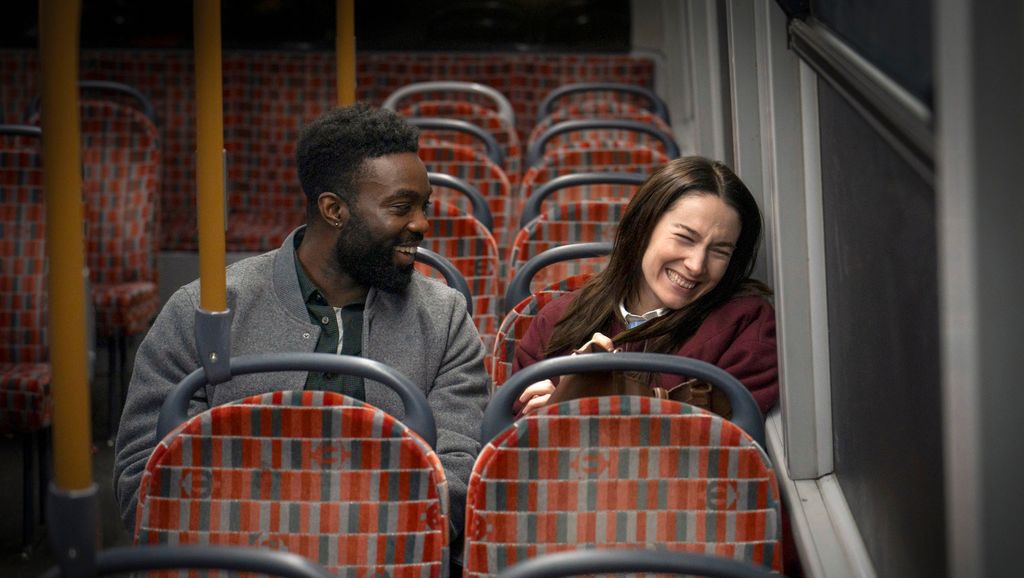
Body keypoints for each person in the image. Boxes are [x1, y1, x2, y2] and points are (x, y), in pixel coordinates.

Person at [114, 104, 490, 539]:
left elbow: (458, 476)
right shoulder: (204, 310)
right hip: (234, 562)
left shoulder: (443, 318)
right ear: (334, 209)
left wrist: (347, 534)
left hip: (387, 556)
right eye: (401, 207)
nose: (422, 224)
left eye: (423, 206)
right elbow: (144, 478)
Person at [513, 156, 778, 415]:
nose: (696, 265)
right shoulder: (557, 321)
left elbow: (731, 446)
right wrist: (540, 423)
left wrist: (590, 407)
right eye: (685, 238)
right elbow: (509, 444)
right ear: (643, 228)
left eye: (720, 251)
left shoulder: (745, 326)